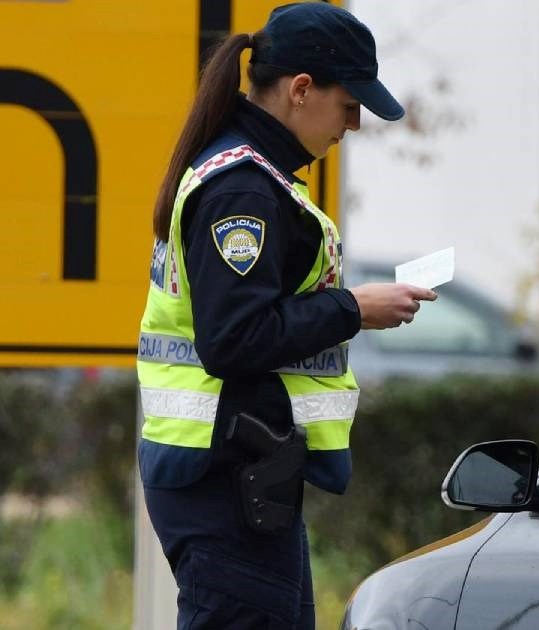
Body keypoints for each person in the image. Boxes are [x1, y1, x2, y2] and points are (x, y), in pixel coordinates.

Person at [135, 4, 436, 628]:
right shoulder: (243, 189)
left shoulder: (256, 176)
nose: (352, 125)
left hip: (244, 474)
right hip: (225, 480)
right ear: (302, 90)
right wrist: (352, 308)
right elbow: (234, 338)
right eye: (349, 105)